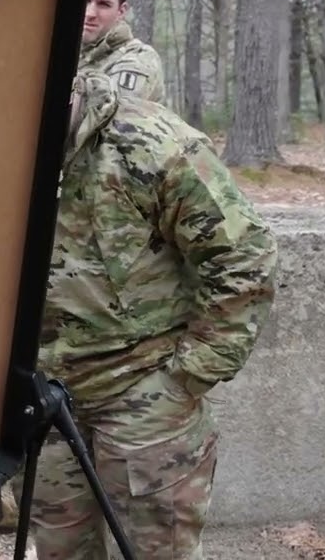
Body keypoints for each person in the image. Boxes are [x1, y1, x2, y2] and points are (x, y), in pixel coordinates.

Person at [27, 70, 278, 559]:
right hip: (43, 397)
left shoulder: (152, 143)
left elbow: (243, 256)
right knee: (61, 550)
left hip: (143, 394)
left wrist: (187, 376)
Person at [79, 0, 166, 104]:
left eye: (103, 4)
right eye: (86, 0)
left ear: (121, 11)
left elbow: (108, 110)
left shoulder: (138, 59)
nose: (90, 13)